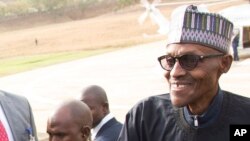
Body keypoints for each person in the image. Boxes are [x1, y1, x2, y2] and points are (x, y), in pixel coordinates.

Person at [117, 5, 250, 141]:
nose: (174, 73)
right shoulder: (146, 117)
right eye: (170, 60)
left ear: (225, 63)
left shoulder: (245, 120)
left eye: (190, 60)